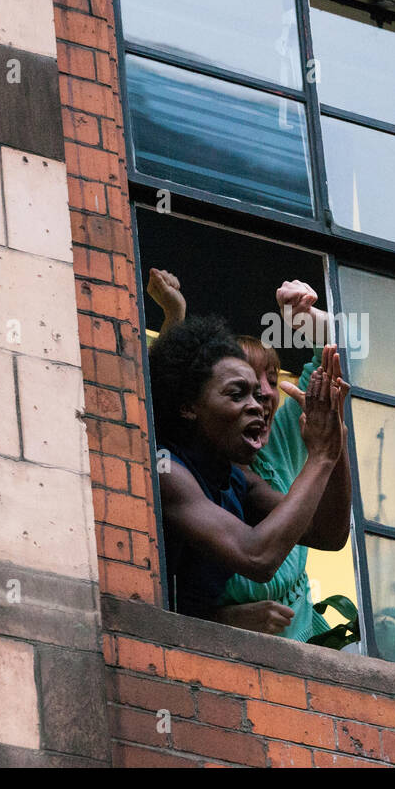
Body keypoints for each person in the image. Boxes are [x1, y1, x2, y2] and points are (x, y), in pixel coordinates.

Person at [146, 271, 341, 639]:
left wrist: (333, 439)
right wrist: (320, 458)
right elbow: (256, 557)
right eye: (239, 394)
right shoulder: (167, 470)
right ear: (189, 406)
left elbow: (328, 536)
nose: (259, 403)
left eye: (261, 389)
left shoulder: (237, 478)